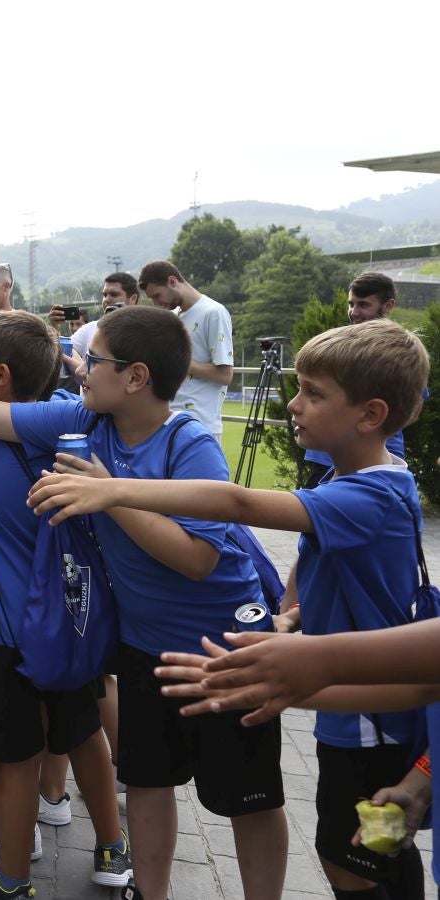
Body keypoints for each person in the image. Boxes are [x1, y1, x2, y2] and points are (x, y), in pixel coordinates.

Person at [0, 305, 289, 900]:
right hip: (140, 643)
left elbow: (197, 558)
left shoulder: (187, 441)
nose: (80, 365)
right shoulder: (86, 419)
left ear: (136, 377)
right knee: (144, 780)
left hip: (222, 642)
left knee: (248, 796)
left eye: (96, 359)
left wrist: (107, 494)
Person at [29, 317, 431, 900]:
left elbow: (237, 501)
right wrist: (292, 613)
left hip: (373, 733)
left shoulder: (373, 494)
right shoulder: (351, 476)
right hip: (349, 720)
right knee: (350, 852)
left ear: (369, 416)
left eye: (313, 394)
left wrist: (112, 489)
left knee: (365, 861)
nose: (293, 404)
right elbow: (316, 555)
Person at [302, 272, 403, 488]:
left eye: (363, 305)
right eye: (351, 304)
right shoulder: (342, 343)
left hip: (373, 459)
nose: (354, 312)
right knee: (315, 517)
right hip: (326, 455)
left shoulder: (399, 351)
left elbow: (407, 406)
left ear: (388, 306)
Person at [137, 260, 233, 435]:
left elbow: (225, 375)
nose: (157, 303)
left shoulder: (214, 312)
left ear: (173, 282)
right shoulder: (172, 316)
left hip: (200, 427)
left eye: (157, 295)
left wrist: (176, 359)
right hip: (167, 421)